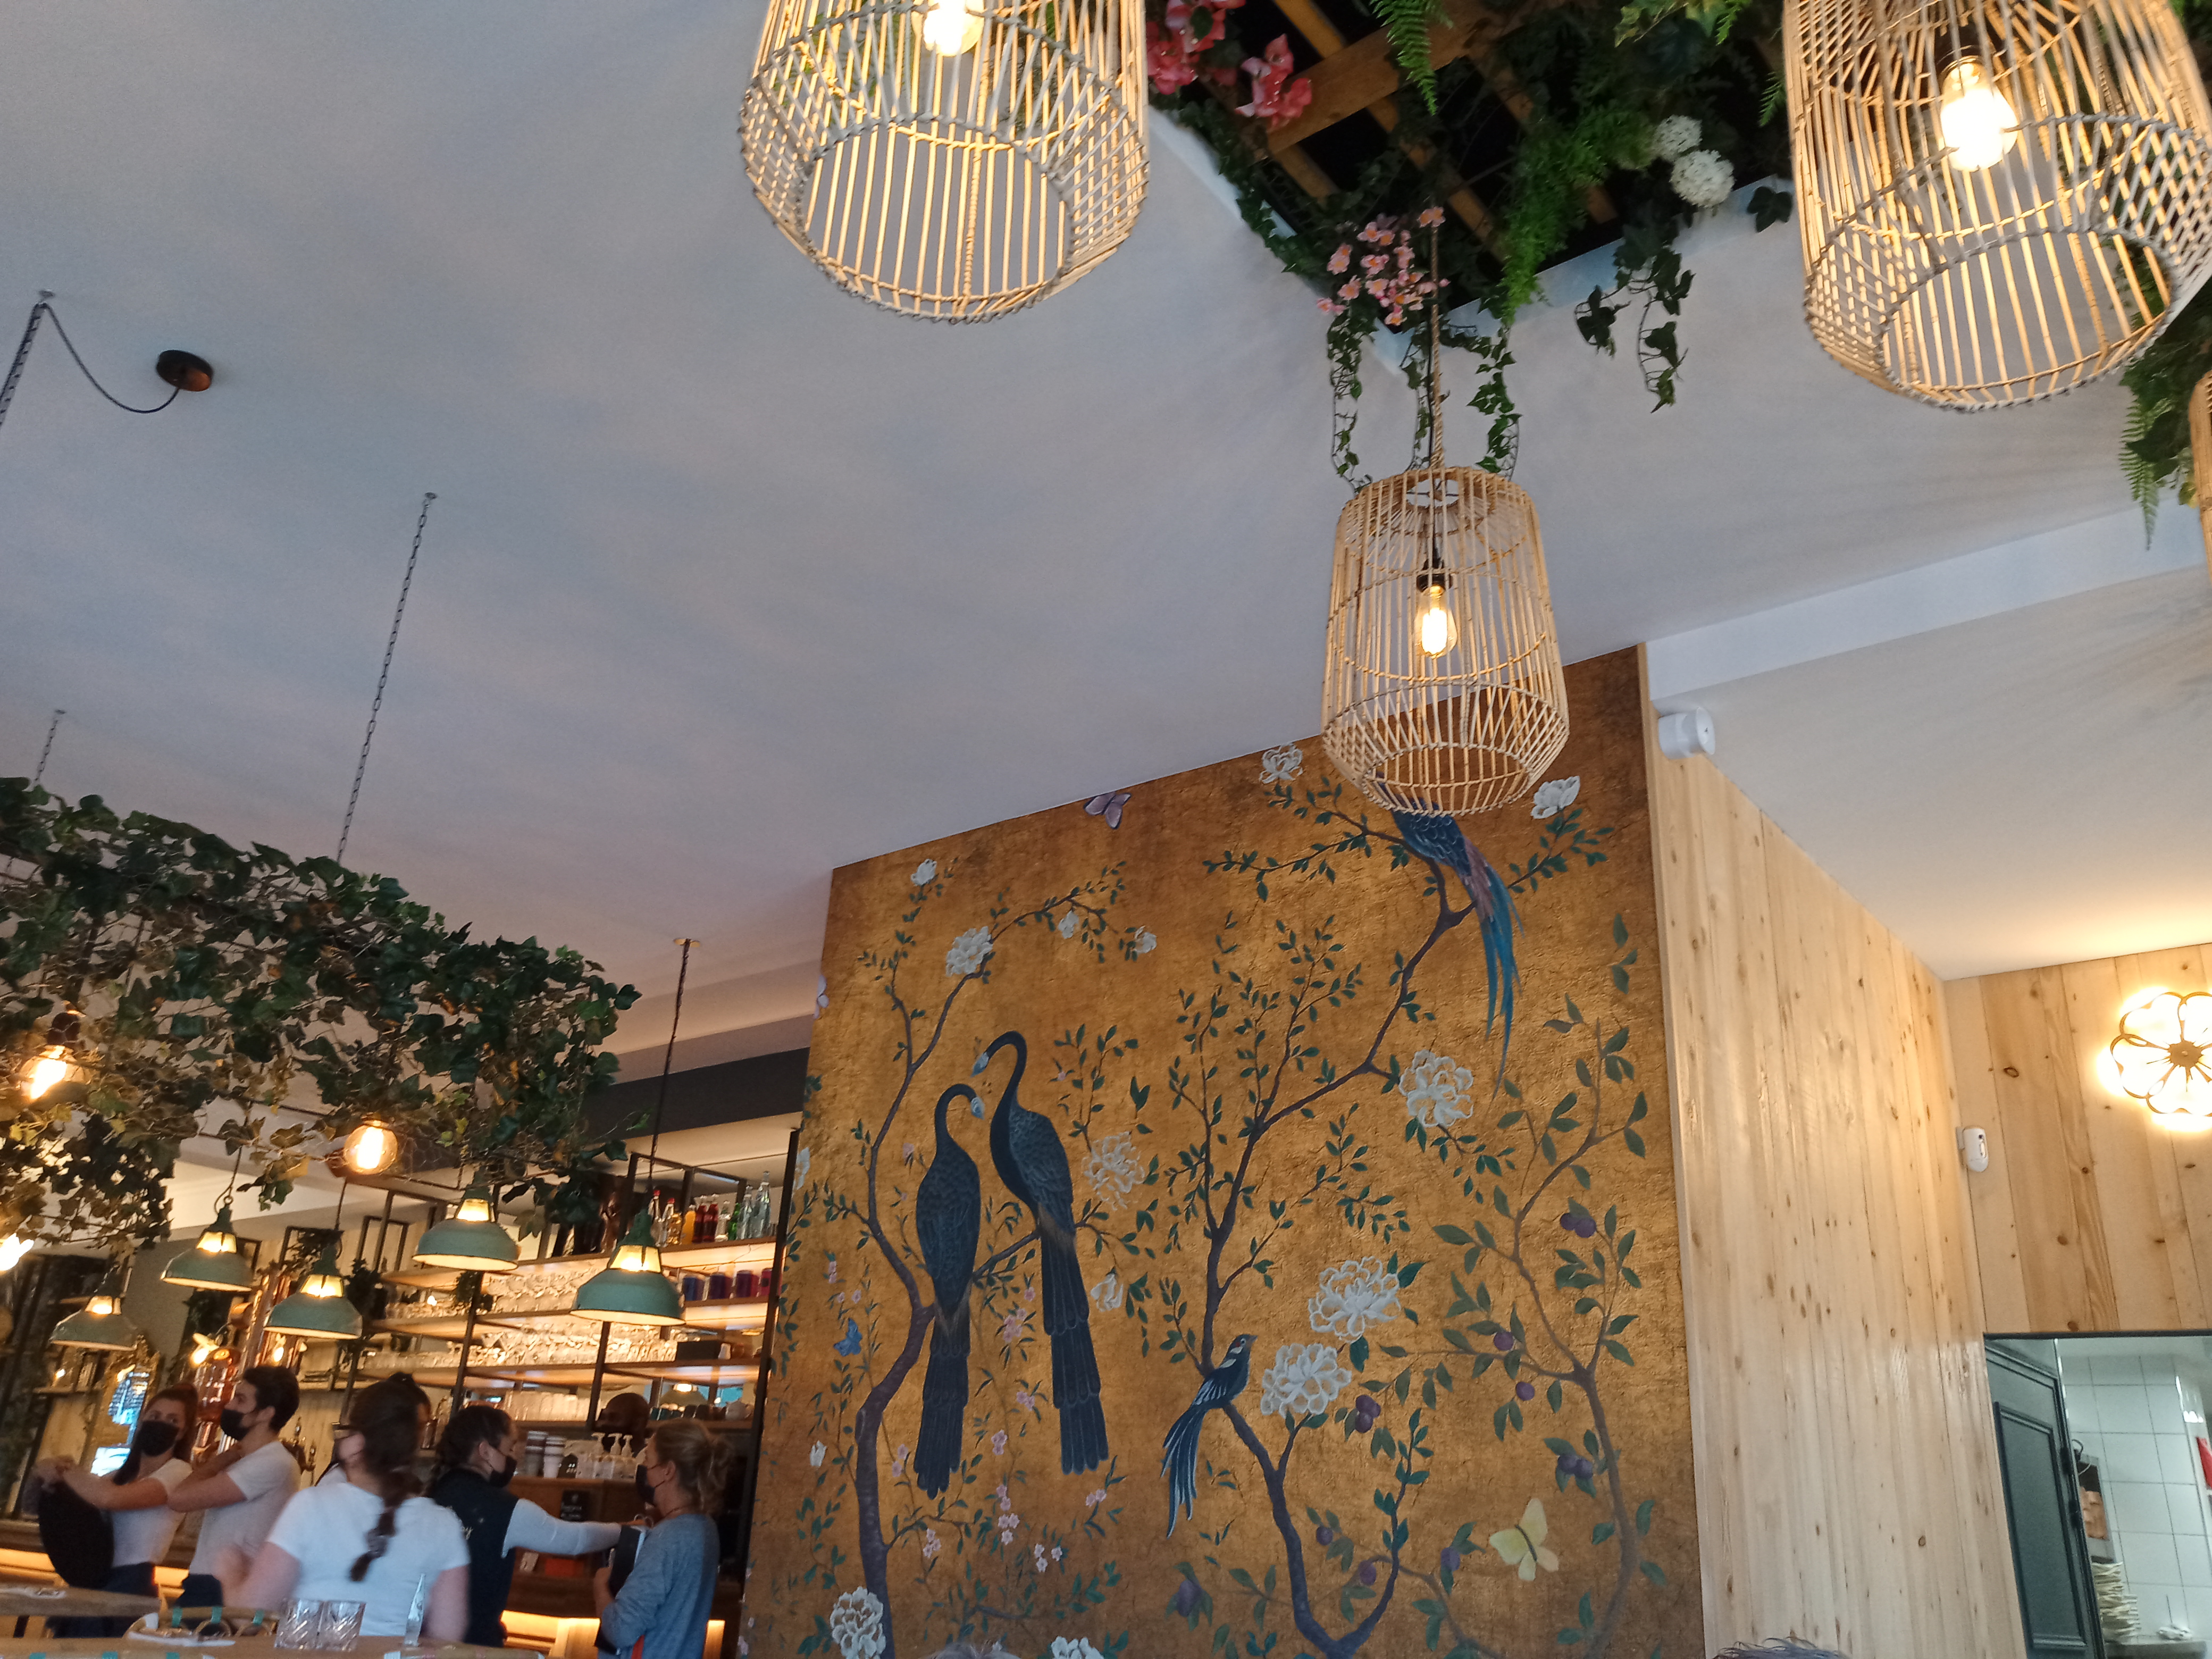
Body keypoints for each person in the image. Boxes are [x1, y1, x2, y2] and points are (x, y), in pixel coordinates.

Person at [230, 1383, 468, 1640]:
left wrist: (229, 1571)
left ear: (356, 1442)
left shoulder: (311, 1506)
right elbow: (448, 1635)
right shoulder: (443, 1524)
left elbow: (248, 1618)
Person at [429, 1405, 623, 1647]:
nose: (516, 1457)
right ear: (485, 1451)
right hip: (473, 1647)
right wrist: (625, 1530)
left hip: (419, 1642)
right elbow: (574, 1540)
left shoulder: (429, 1496)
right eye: (510, 1448)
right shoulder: (503, 1508)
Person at [36, 1384, 200, 1635]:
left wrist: (63, 1469)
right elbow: (70, 1501)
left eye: (172, 1420)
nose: (161, 1424)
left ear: (182, 1433)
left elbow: (110, 1499)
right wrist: (46, 1470)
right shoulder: (121, 1475)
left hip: (131, 1582)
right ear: (142, 1420)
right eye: (155, 1416)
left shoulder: (179, 1472)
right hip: (94, 1575)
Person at [592, 1421, 733, 1659]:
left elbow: (621, 1630)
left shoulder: (668, 1537)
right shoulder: (705, 1527)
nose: (644, 1469)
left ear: (668, 1470)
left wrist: (600, 1585)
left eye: (648, 1459)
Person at [168, 1366, 301, 1610]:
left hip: (224, 1587)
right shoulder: (248, 1460)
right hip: (209, 1581)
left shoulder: (272, 1462)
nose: (229, 1406)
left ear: (266, 1414)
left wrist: (221, 1460)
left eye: (240, 1400)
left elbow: (180, 1499)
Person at [317, 1375, 432, 1485]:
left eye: (422, 1427)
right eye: (417, 1428)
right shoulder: (338, 1482)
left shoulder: (398, 1484)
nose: (420, 1438)